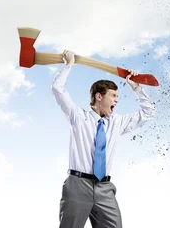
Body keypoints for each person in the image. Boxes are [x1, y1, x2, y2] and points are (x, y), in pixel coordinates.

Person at [51, 49, 156, 228]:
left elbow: (149, 112)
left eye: (118, 96)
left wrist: (136, 87)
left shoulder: (117, 122)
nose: (117, 100)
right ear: (99, 97)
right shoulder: (78, 117)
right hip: (78, 185)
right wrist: (68, 65)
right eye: (113, 96)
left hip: (104, 188)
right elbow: (57, 89)